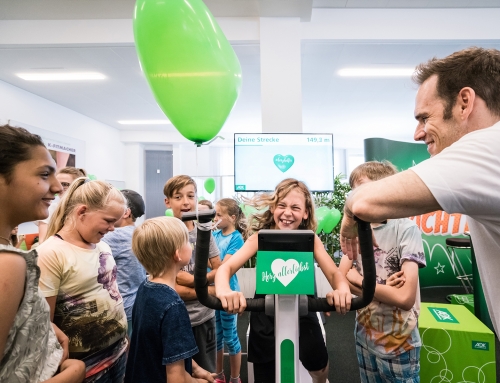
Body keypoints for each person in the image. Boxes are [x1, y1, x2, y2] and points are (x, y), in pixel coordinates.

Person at [339, 47, 500, 338]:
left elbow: (363, 201)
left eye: (425, 118)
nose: (418, 133)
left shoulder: (491, 147)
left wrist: (351, 213)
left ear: (464, 103)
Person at [215, 178, 352, 383]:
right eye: (282, 206)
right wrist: (225, 290)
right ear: (272, 208)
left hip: (303, 309)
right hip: (265, 312)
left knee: (320, 367)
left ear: (305, 213)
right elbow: (226, 268)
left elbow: (334, 274)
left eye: (295, 208)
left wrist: (341, 289)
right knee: (265, 373)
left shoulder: (309, 239)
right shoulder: (261, 237)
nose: (287, 213)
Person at [0, 124, 85, 382]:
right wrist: (73, 374)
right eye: (44, 174)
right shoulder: (8, 263)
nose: (58, 188)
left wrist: (43, 328)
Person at [337, 161, 426, 383]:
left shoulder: (406, 229)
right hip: (364, 337)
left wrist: (358, 279)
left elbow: (405, 298)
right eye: (354, 192)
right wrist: (385, 289)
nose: (357, 199)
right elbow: (339, 279)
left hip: (399, 343)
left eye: (364, 190)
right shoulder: (355, 230)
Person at [37, 178, 129, 382]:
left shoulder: (102, 246)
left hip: (117, 352)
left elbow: (112, 293)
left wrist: (123, 338)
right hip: (84, 366)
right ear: (81, 212)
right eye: (108, 220)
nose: (112, 228)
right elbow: (45, 322)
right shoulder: (50, 253)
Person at [124, 216, 215, 383]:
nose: (190, 244)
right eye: (187, 241)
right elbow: (177, 379)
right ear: (177, 254)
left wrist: (195, 368)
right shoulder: (173, 306)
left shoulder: (145, 288)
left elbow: (170, 349)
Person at [163, 175, 222, 373]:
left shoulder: (204, 232)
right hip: (177, 319)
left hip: (205, 317)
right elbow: (173, 288)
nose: (186, 202)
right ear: (168, 201)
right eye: (178, 197)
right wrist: (209, 290)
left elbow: (218, 268)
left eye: (190, 196)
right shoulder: (165, 235)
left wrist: (197, 280)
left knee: (208, 370)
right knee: (181, 373)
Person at [102, 189, 147, 338]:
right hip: (138, 304)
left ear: (126, 212)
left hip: (123, 307)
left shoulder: (115, 236)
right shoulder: (137, 232)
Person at [212, 198, 246, 383]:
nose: (215, 218)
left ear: (232, 217)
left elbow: (225, 266)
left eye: (219, 215)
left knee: (230, 337)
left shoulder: (236, 238)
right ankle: (218, 375)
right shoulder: (215, 235)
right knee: (216, 337)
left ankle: (235, 377)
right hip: (213, 294)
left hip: (228, 293)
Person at [38, 167, 87, 243]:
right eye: (57, 183)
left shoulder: (86, 211)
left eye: (64, 184)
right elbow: (43, 241)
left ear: (78, 186)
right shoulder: (50, 209)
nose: (59, 188)